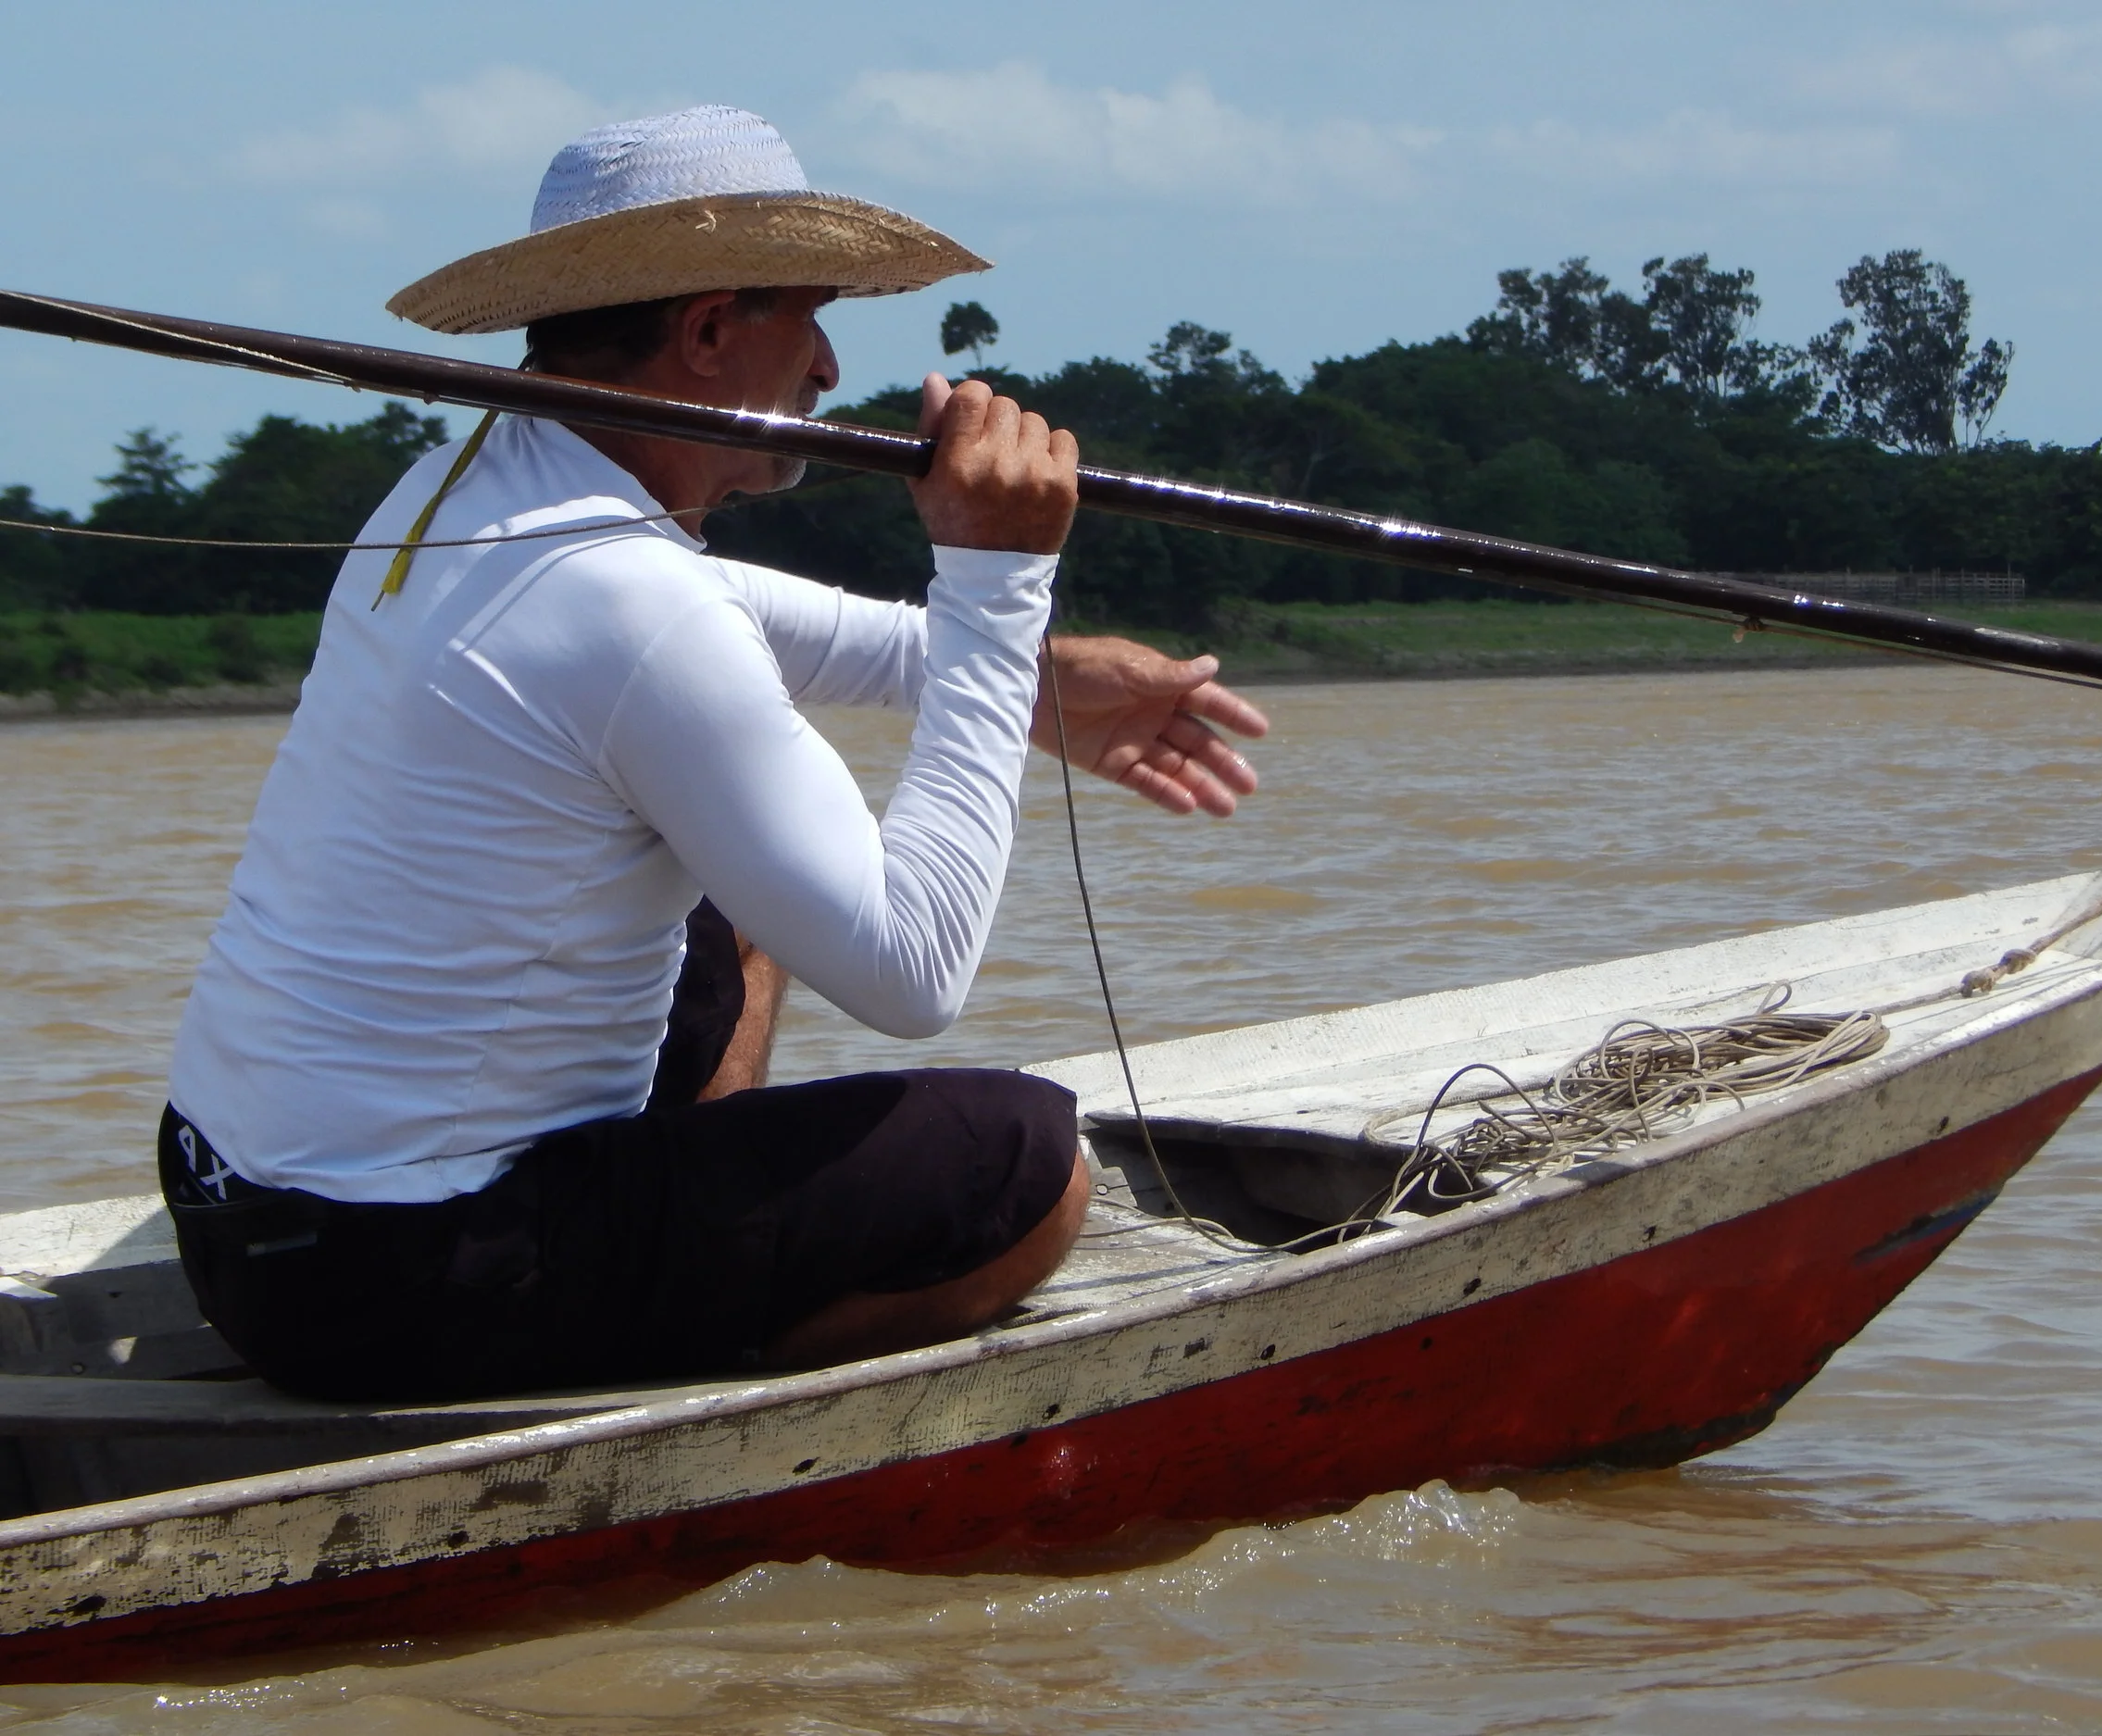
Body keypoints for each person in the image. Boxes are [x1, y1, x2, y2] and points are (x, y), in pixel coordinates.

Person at [159, 106, 1270, 1403]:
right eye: (808, 319)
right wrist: (994, 583)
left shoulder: (458, 487)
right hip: (398, 1273)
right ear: (705, 332)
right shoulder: (631, 604)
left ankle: (691, 1236)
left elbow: (730, 618)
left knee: (740, 893)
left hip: (228, 1212)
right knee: (1028, 1171)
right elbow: (915, 972)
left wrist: (1028, 675)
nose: (829, 368)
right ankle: (714, 1389)